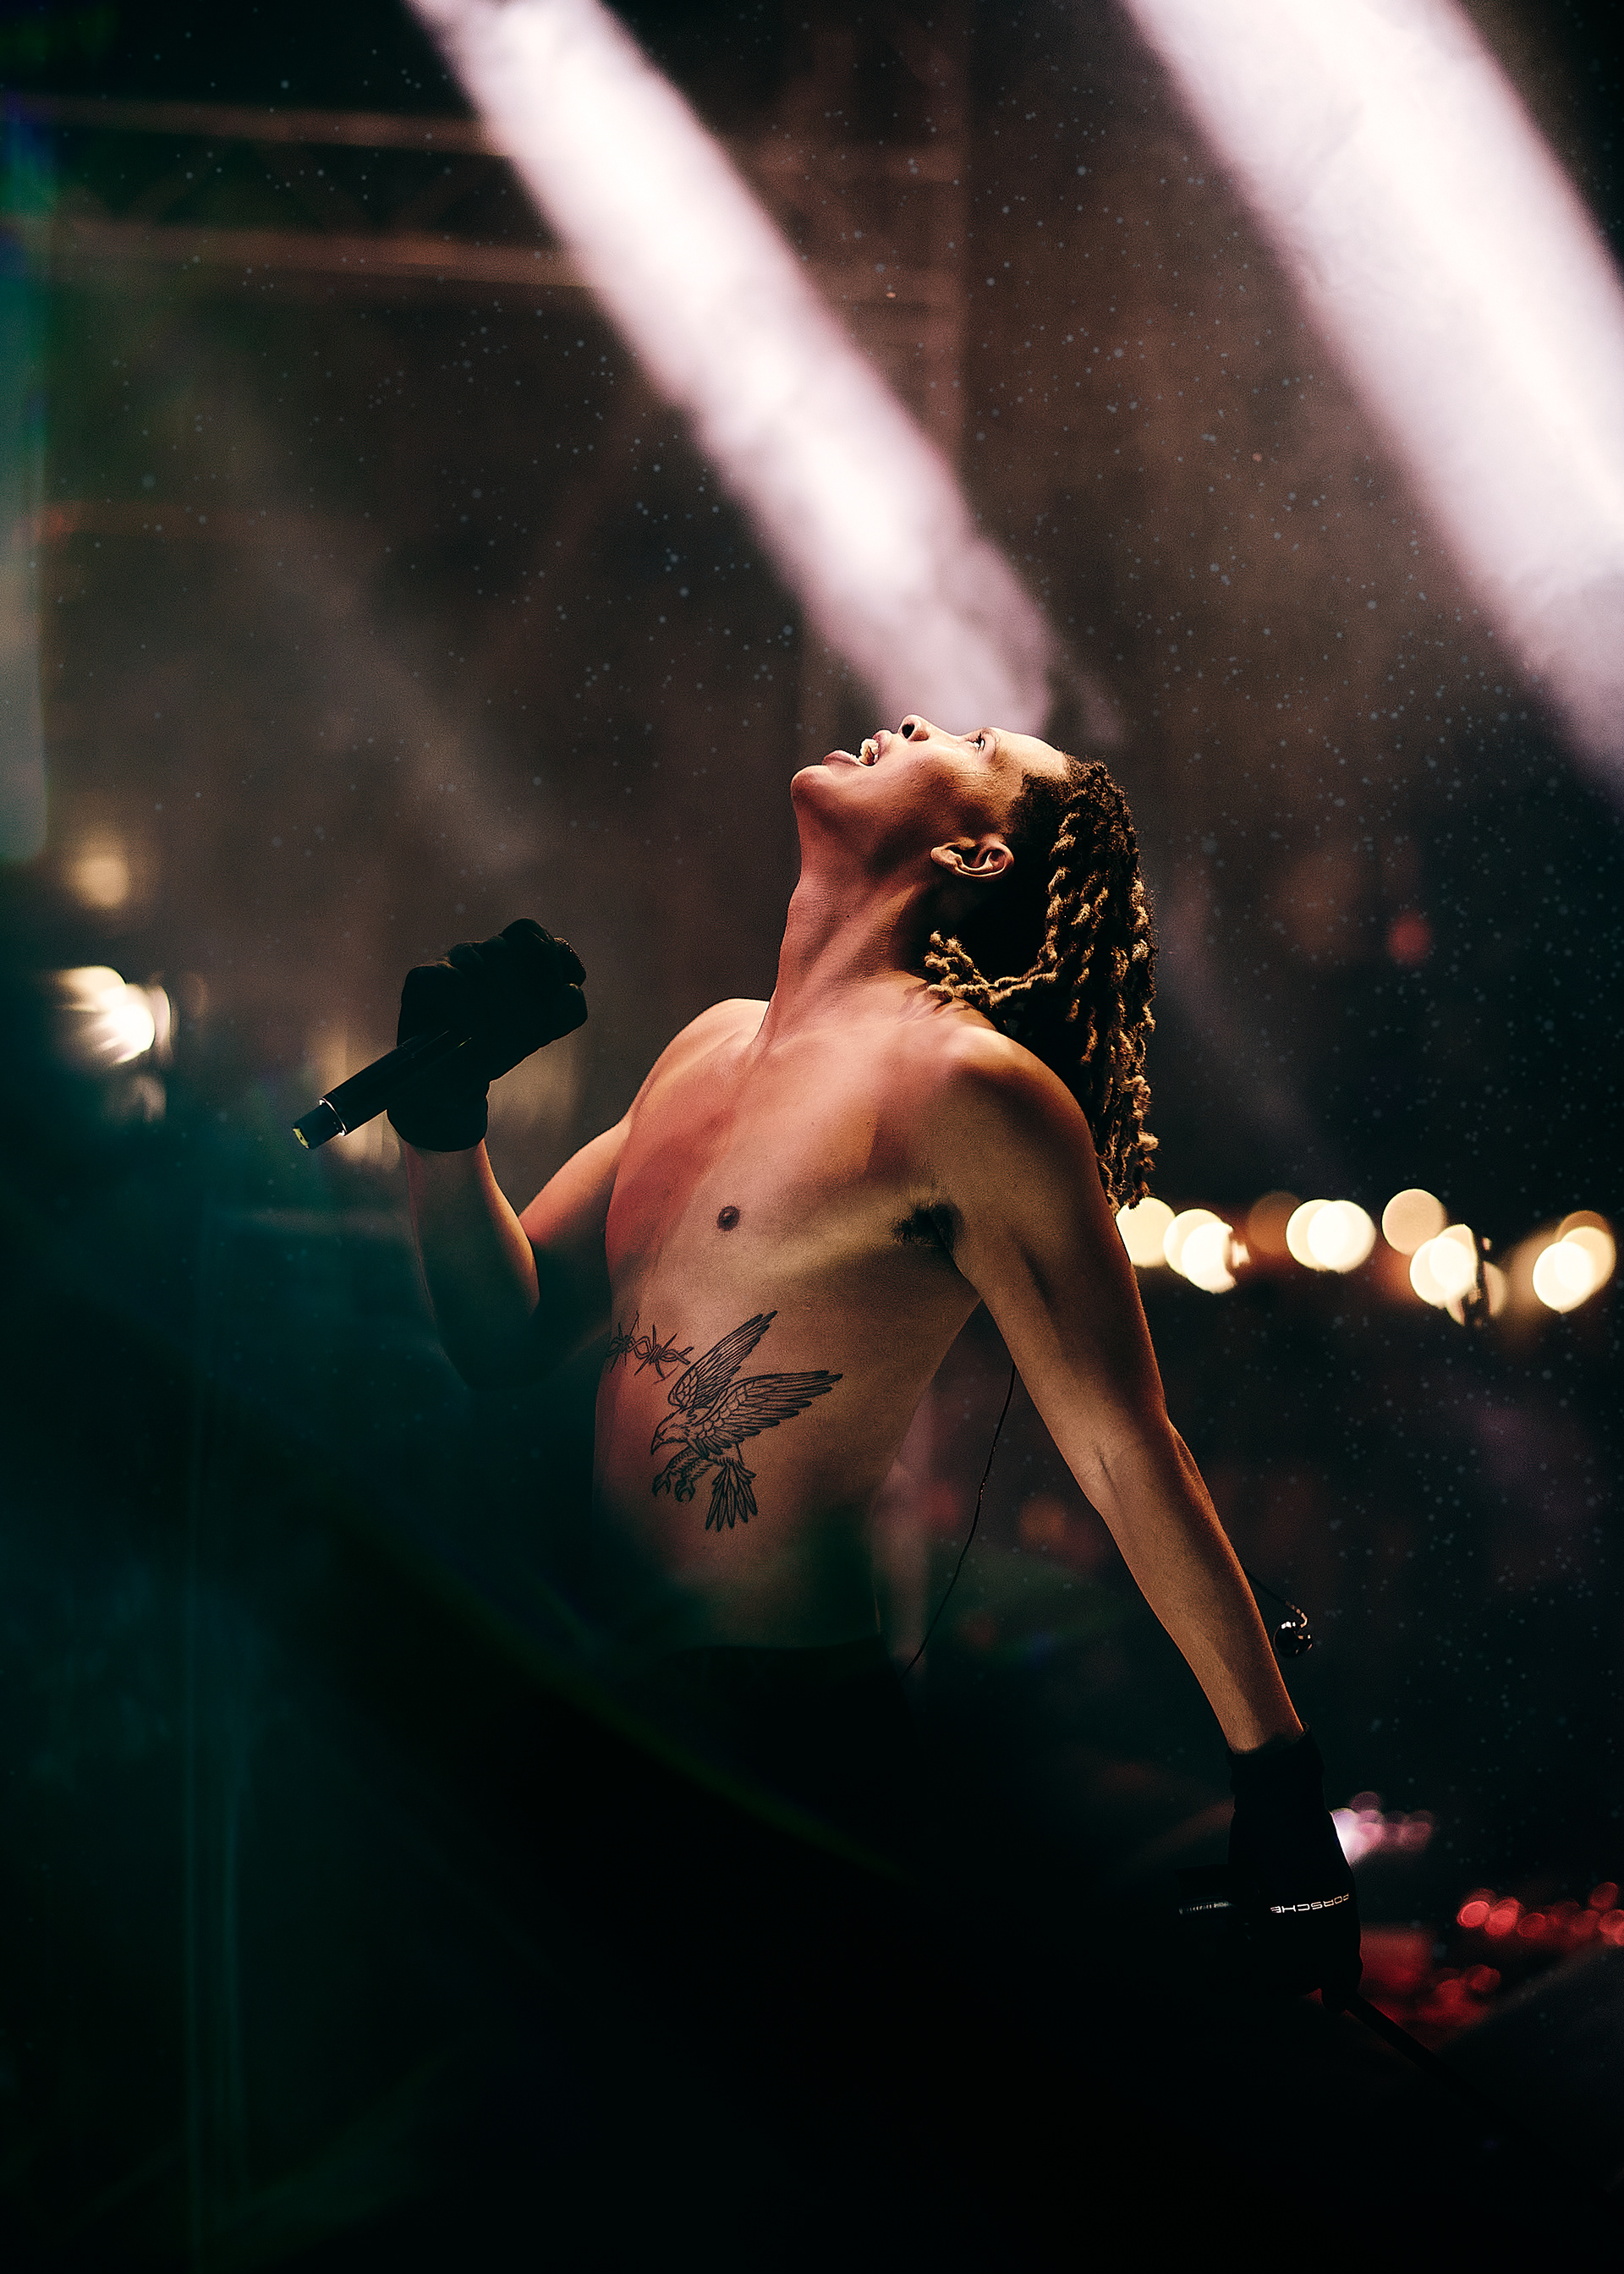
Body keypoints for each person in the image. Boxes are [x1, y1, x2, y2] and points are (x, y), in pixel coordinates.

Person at [388, 713, 1359, 2018]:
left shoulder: (971, 1092)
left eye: (971, 742)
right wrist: (442, 1124)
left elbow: (1127, 1450)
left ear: (978, 853)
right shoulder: (706, 1047)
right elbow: (499, 1338)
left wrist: (1279, 1782)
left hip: (781, 1740)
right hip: (597, 1686)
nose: (909, 718)